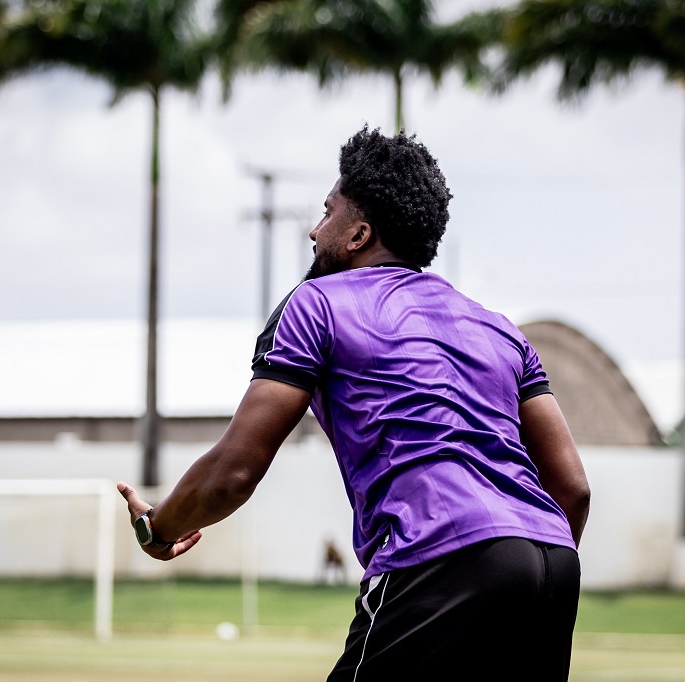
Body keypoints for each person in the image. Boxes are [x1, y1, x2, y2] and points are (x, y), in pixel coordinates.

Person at [118, 126, 590, 681]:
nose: (314, 230)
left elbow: (233, 472)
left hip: (439, 556)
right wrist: (518, 565)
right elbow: (573, 489)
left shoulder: (317, 303)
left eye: (327, 212)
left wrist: (159, 527)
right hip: (553, 563)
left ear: (359, 234)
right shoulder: (499, 328)